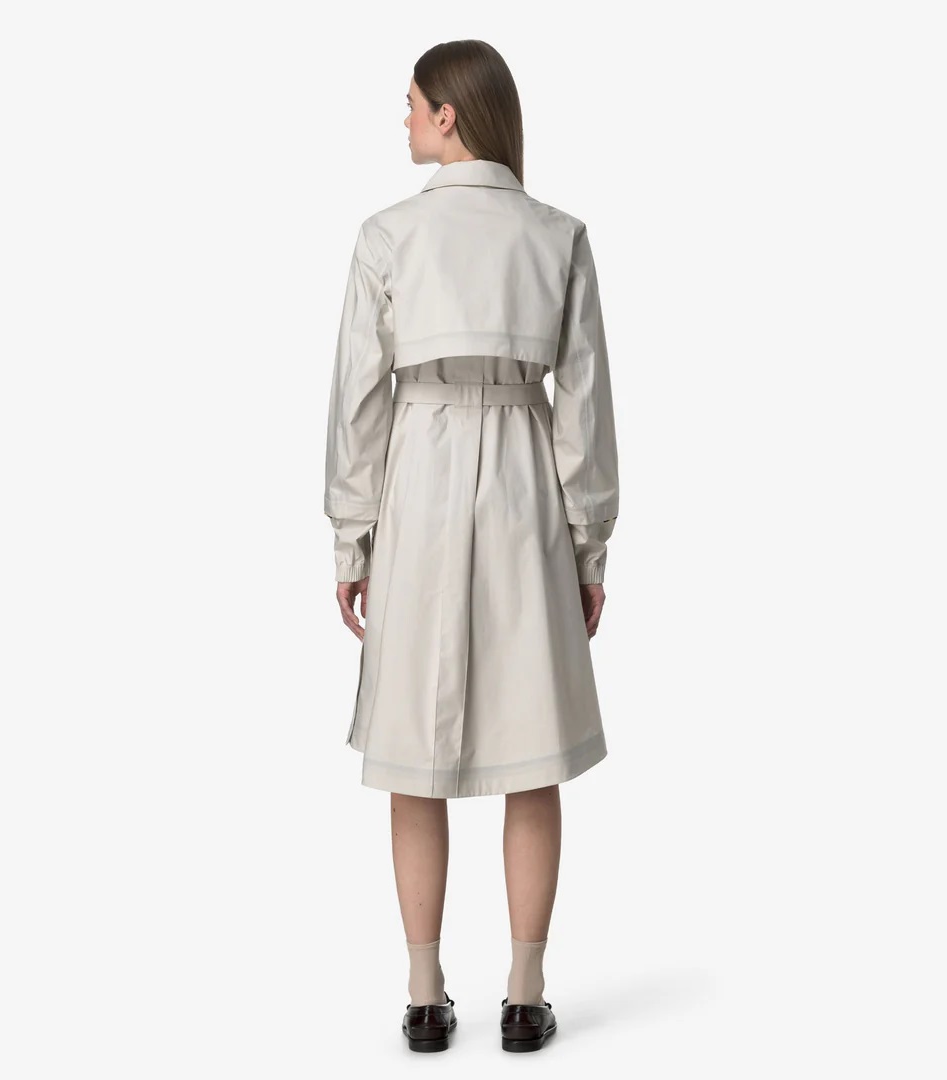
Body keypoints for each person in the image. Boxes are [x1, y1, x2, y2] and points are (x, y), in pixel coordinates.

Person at [323, 39, 619, 1053]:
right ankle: (526, 993)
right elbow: (584, 408)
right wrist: (589, 547)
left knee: (415, 750)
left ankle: (422, 993)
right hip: (526, 486)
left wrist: (351, 540)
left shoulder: (387, 237)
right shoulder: (557, 235)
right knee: (532, 749)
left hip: (419, 482)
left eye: (412, 102)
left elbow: (358, 404)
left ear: (450, 114)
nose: (403, 117)